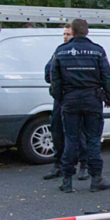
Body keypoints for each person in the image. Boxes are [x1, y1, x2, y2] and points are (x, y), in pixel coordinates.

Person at [50, 18, 110, 193]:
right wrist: (109, 98)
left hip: (70, 99)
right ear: (86, 32)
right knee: (93, 139)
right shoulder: (97, 51)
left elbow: (54, 80)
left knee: (71, 139)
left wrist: (61, 98)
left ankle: (67, 180)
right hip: (92, 99)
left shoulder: (61, 51)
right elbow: (106, 77)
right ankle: (96, 179)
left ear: (74, 32)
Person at [43, 24, 88, 181]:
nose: (65, 36)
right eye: (64, 34)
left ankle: (84, 165)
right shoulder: (60, 50)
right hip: (61, 98)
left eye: (68, 34)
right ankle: (59, 165)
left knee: (80, 132)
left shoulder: (83, 52)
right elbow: (49, 73)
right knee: (57, 130)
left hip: (77, 97)